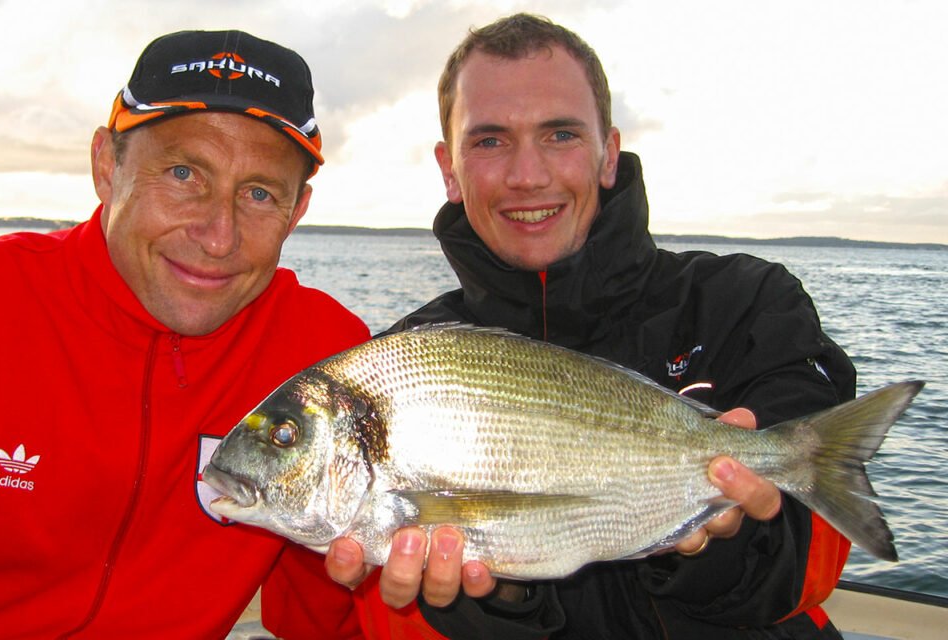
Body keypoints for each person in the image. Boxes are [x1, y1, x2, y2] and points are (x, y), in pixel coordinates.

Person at [329, 13, 857, 640]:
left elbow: (812, 562)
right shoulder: (404, 363)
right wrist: (494, 596)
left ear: (608, 154)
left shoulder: (746, 301)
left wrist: (724, 547)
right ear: (449, 169)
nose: (528, 175)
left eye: (560, 135)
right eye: (490, 140)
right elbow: (391, 610)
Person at [0, 30, 372, 638]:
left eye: (259, 193)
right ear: (107, 167)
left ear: (296, 212)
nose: (219, 236)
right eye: (185, 173)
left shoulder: (324, 356)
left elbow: (319, 618)